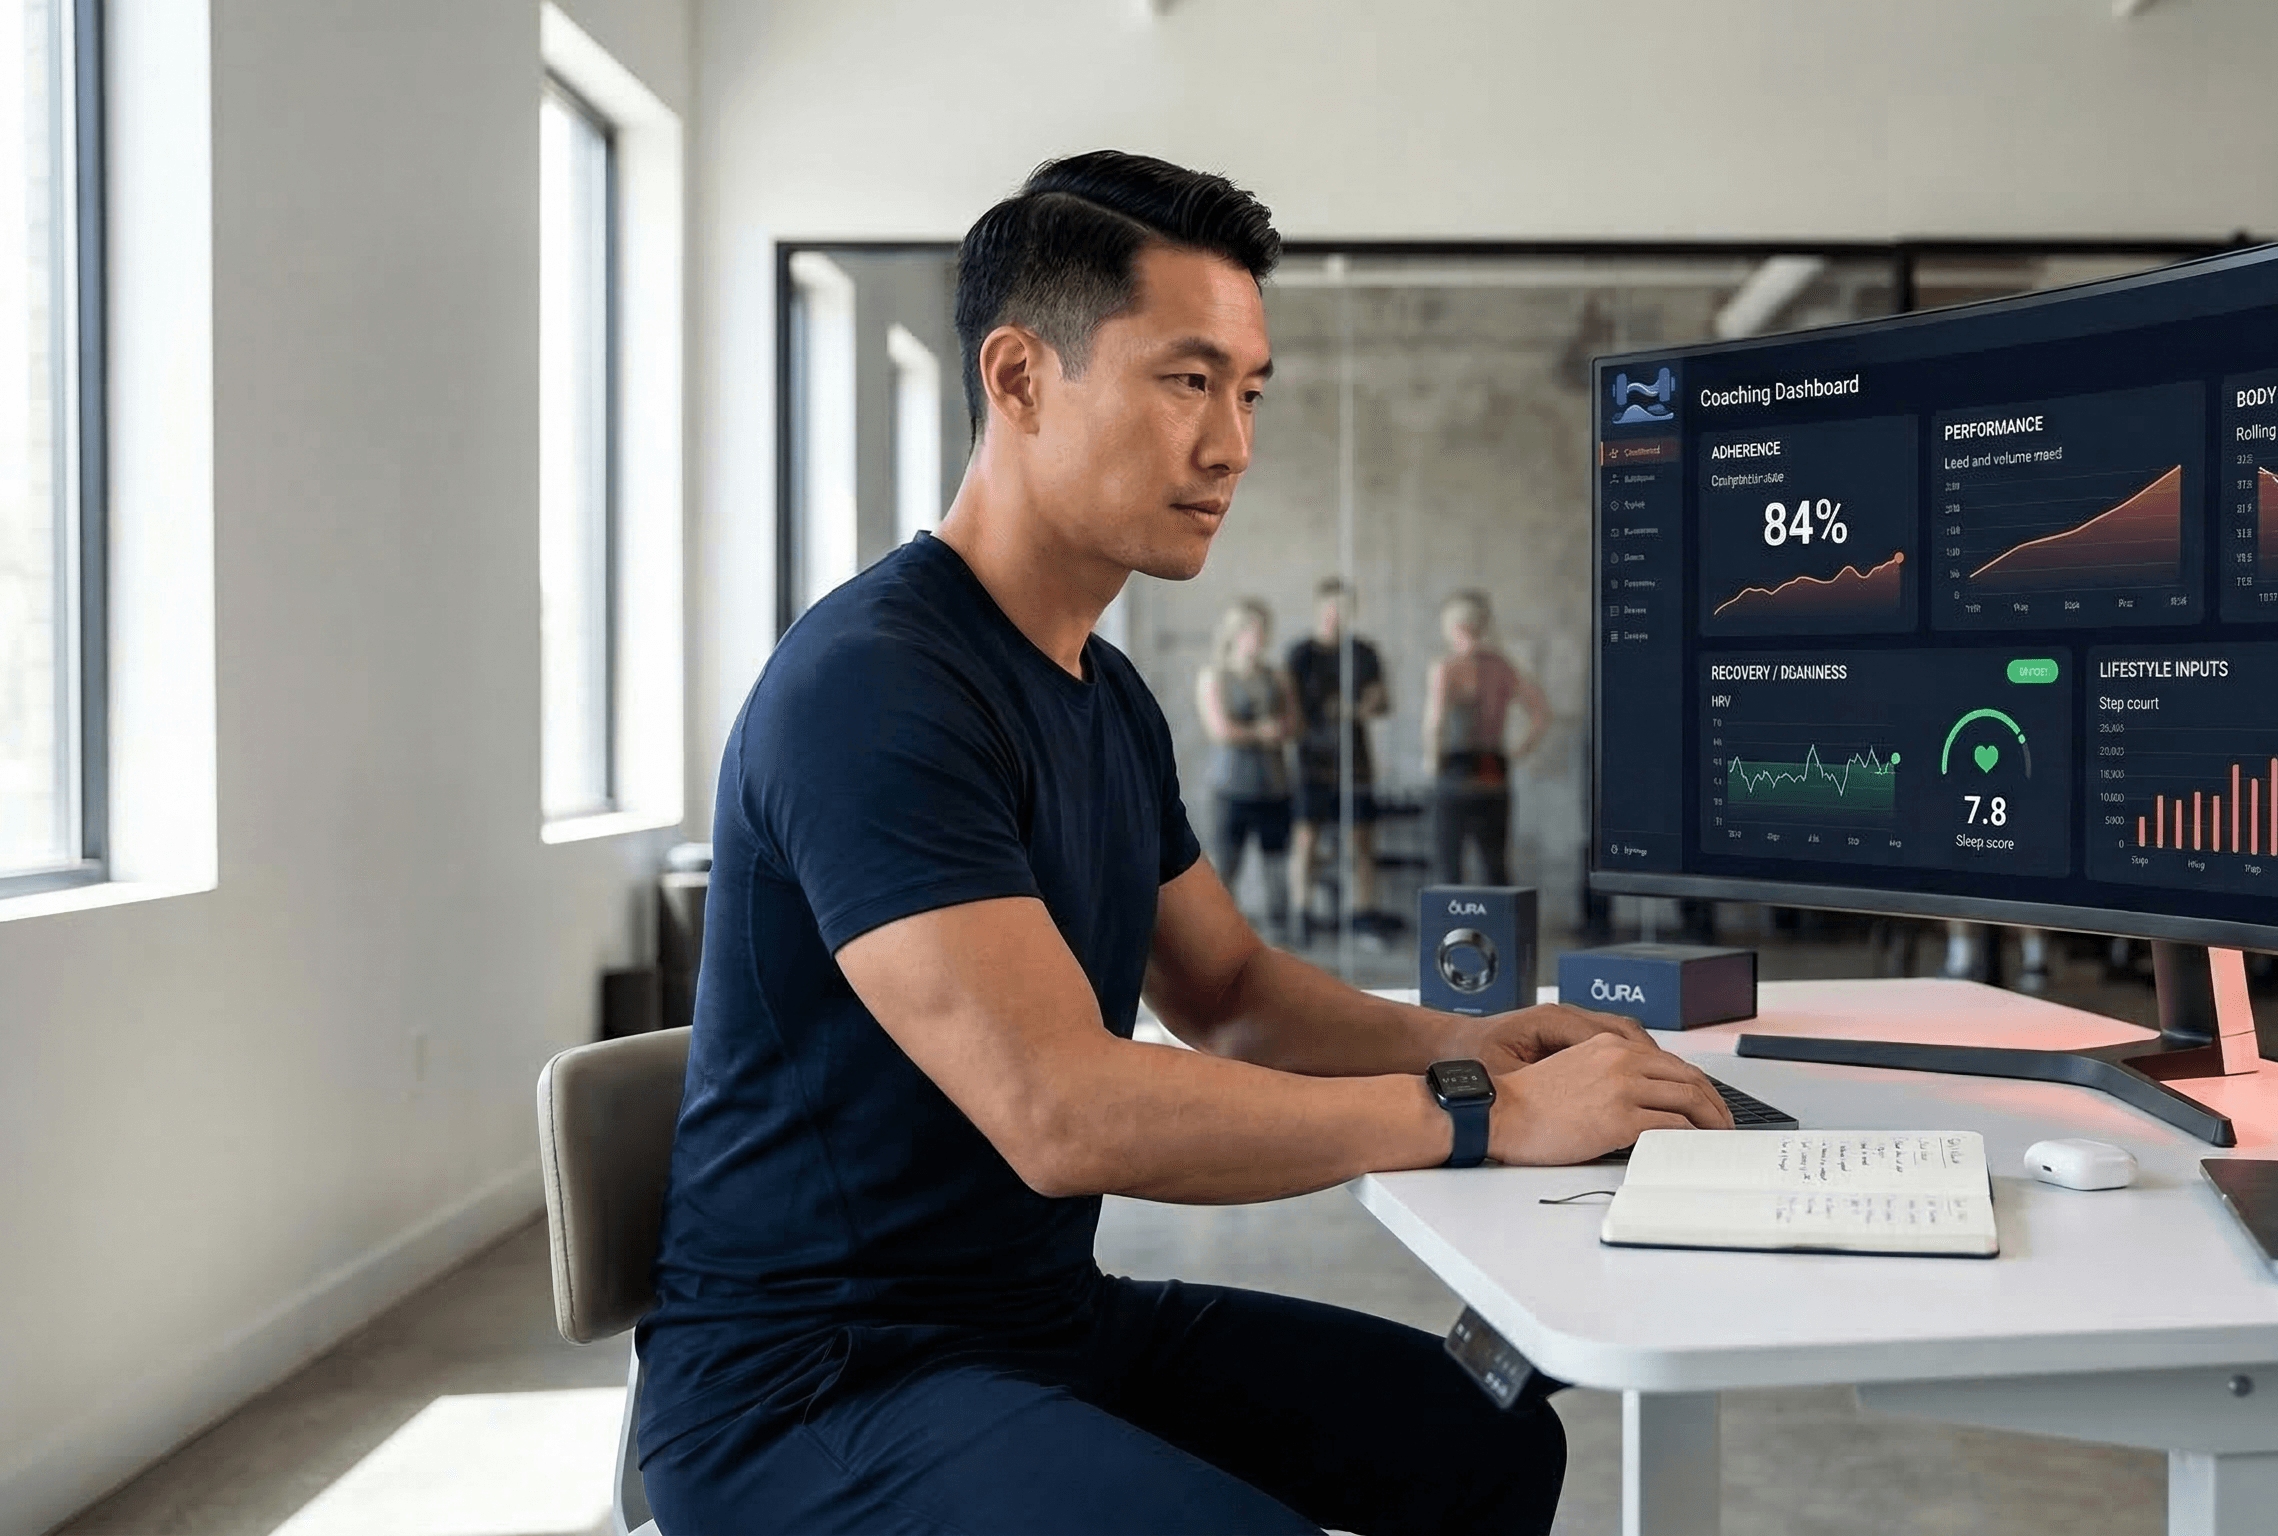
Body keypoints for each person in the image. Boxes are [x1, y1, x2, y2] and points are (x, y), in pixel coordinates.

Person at [637, 151, 1729, 1536]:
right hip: (813, 1390)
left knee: (1481, 1438)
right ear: (1021, 378)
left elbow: (1228, 996)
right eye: (1186, 381)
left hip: (1040, 1328)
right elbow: (1061, 1111)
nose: (1232, 447)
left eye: (1250, 392)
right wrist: (1485, 1119)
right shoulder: (873, 685)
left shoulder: (1104, 691)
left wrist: (1479, 1040)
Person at [1423, 590, 1549, 886]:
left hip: (1456, 768)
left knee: (1449, 864)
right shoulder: (1503, 667)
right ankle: (1502, 931)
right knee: (1495, 863)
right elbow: (1542, 713)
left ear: (1456, 626)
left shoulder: (1447, 667)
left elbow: (1436, 721)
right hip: (1493, 766)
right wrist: (1519, 751)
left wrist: (1431, 760)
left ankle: (1450, 929)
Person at [1287, 576, 1390, 938]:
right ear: (1319, 608)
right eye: (1331, 606)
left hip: (1354, 759)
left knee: (1362, 839)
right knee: (1306, 838)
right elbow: (1291, 706)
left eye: (1344, 608)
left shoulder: (1364, 653)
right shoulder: (1302, 654)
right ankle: (1302, 911)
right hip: (1313, 759)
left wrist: (1361, 706)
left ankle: (1363, 912)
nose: (1336, 614)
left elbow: (1381, 699)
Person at [1197, 598, 1297, 941]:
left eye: (1262, 629)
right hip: (1231, 786)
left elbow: (1295, 723)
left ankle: (1280, 939)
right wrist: (1261, 733)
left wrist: (1279, 730)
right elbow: (1220, 730)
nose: (1258, 636)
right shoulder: (1215, 675)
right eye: (1251, 629)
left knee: (1277, 868)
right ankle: (1221, 941)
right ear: (1235, 633)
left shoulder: (1276, 675)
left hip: (1274, 785)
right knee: (1225, 868)